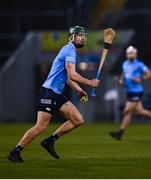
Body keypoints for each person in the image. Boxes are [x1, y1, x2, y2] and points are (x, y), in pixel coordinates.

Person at [8, 26, 100, 162]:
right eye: (79, 35)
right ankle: (15, 152)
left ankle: (50, 141)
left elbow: (67, 77)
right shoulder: (69, 50)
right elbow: (72, 74)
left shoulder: (70, 51)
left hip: (56, 94)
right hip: (48, 93)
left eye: (83, 36)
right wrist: (89, 82)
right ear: (71, 37)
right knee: (41, 126)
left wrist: (78, 89)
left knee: (78, 120)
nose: (82, 38)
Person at [110, 46, 151, 140]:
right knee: (140, 111)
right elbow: (123, 75)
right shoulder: (125, 64)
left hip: (137, 91)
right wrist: (120, 81)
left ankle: (120, 133)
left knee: (127, 111)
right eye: (129, 53)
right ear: (127, 54)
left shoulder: (139, 64)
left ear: (135, 54)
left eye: (132, 53)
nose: (131, 54)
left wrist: (141, 79)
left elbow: (149, 74)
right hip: (129, 91)